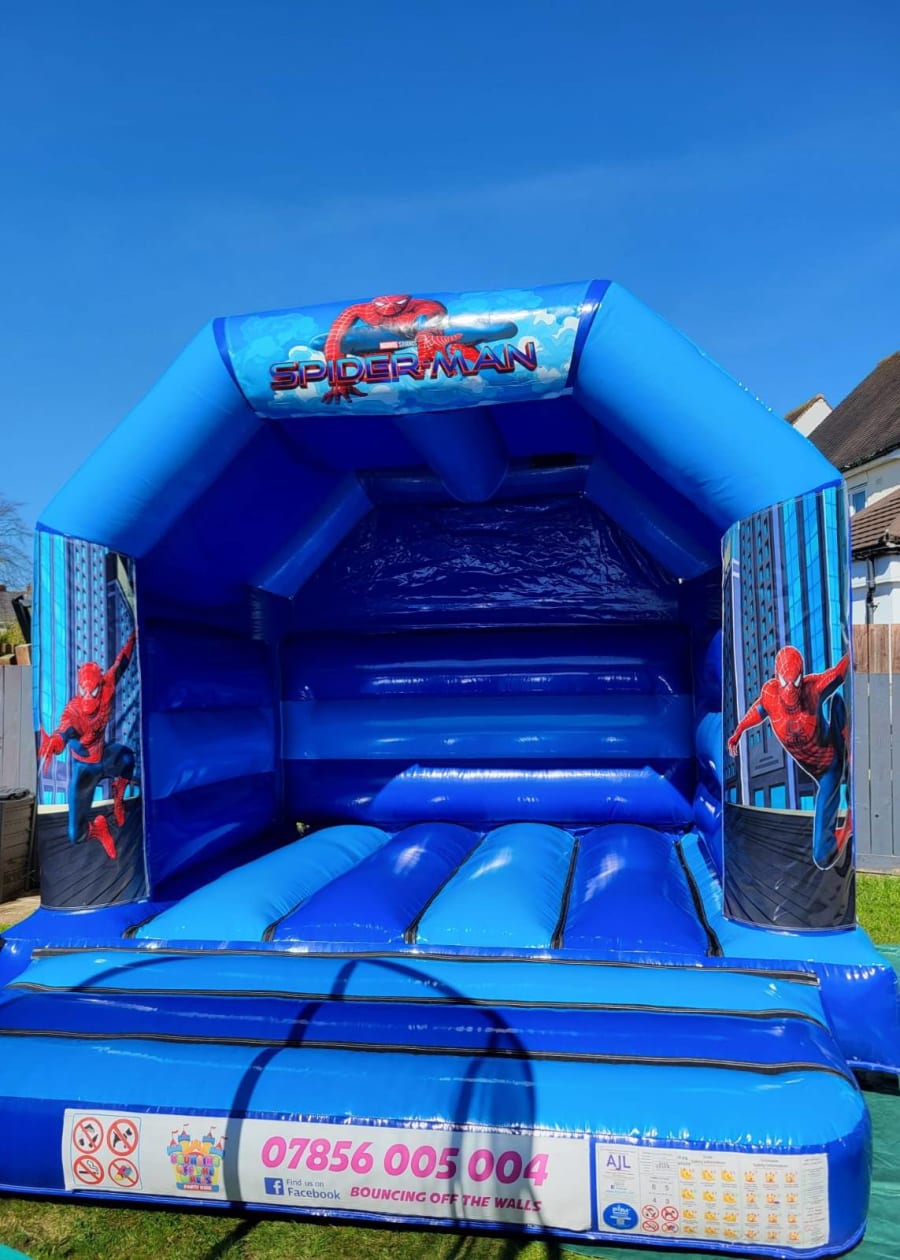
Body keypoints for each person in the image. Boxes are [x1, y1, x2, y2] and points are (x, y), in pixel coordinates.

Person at [728, 645, 851, 869]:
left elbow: (839, 673)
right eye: (785, 682)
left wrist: (855, 647)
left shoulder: (813, 688)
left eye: (795, 682)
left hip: (830, 763)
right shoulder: (770, 694)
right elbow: (758, 710)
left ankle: (849, 757)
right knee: (822, 857)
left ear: (802, 677)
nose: (790, 689)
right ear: (777, 677)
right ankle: (847, 825)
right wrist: (738, 732)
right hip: (812, 769)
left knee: (838, 701)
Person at [39, 630, 137, 860]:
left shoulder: (107, 685)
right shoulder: (73, 710)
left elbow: (122, 662)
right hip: (84, 769)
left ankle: (118, 797)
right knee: (76, 835)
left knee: (128, 758)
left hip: (104, 755)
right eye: (85, 691)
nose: (89, 697)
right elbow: (64, 730)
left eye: (93, 690)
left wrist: (134, 637)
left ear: (99, 686)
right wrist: (55, 742)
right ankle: (98, 829)